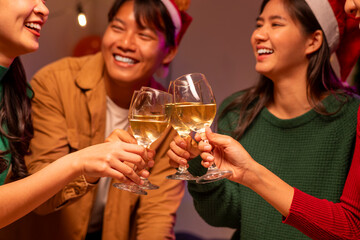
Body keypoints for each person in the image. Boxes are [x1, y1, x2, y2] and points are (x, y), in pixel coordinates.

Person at [167, 0, 360, 239]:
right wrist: (197, 162)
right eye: (258, 24)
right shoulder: (238, 111)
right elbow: (227, 215)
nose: (258, 34)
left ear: (314, 41)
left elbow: (352, 227)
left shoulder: (353, 117)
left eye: (276, 24)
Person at [0, 0, 192, 239]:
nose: (125, 44)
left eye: (144, 35)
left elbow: (157, 218)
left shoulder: (169, 116)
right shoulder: (56, 83)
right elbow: (39, 195)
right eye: (118, 28)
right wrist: (85, 166)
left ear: (169, 52)